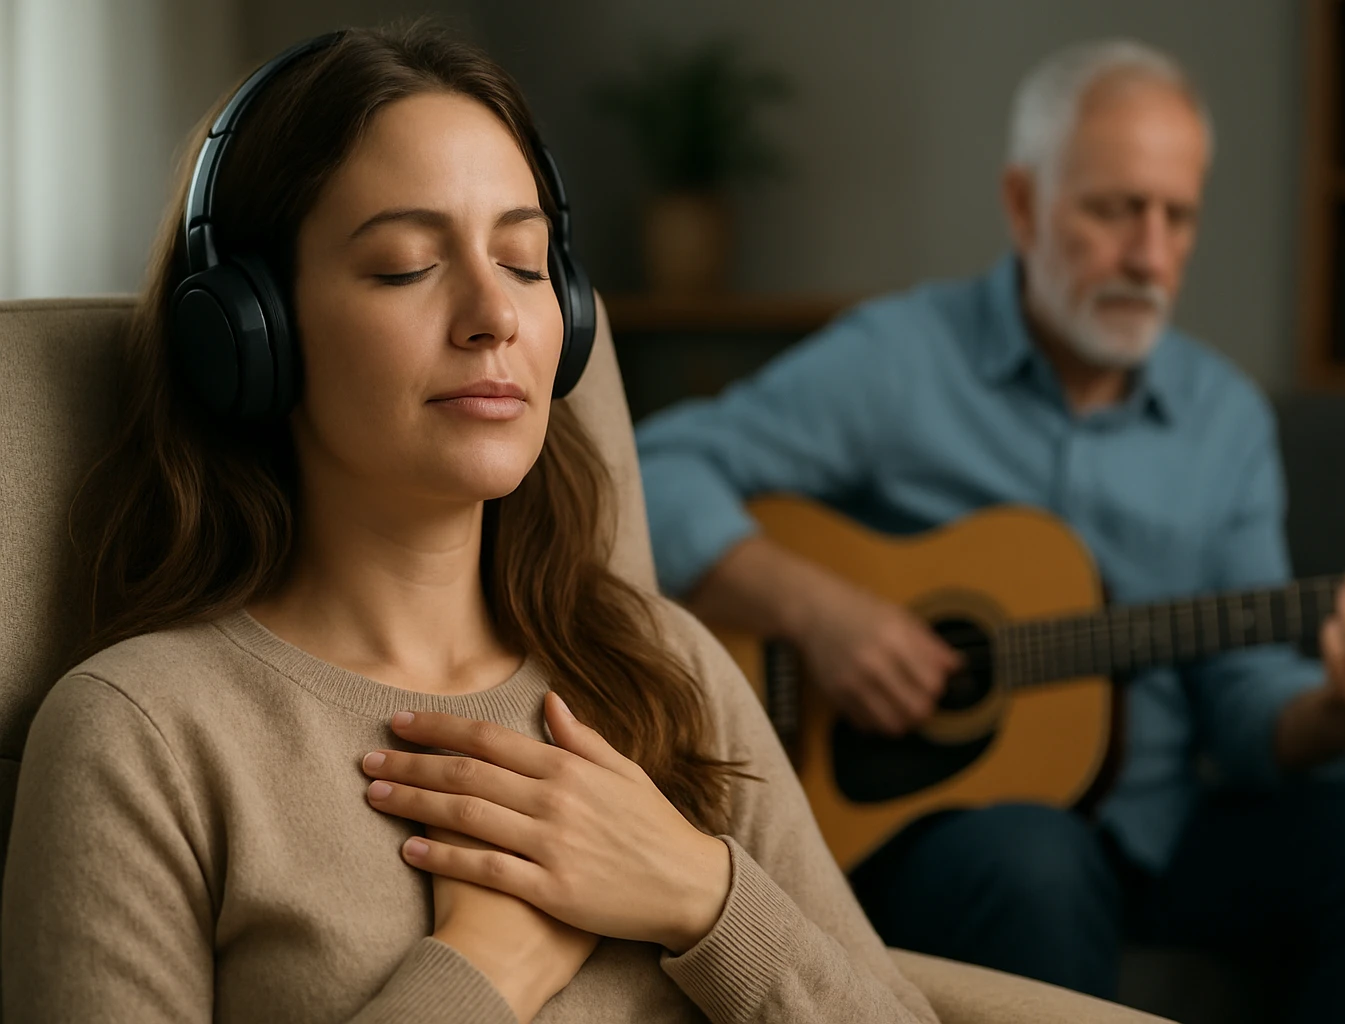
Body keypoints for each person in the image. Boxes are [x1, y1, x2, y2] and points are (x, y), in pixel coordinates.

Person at [0, 25, 950, 1024]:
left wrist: (703, 896)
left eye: (525, 261)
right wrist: (484, 970)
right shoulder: (141, 733)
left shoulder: (665, 664)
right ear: (249, 332)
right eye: (407, 265)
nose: (492, 315)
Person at [636, 39, 1345, 1024]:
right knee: (1034, 859)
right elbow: (654, 463)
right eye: (1114, 210)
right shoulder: (898, 359)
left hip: (1165, 827)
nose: (1150, 255)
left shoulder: (1225, 419)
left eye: (1177, 216)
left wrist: (1341, 709)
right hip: (949, 830)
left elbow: (1245, 703)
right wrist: (816, 609)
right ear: (1024, 205)